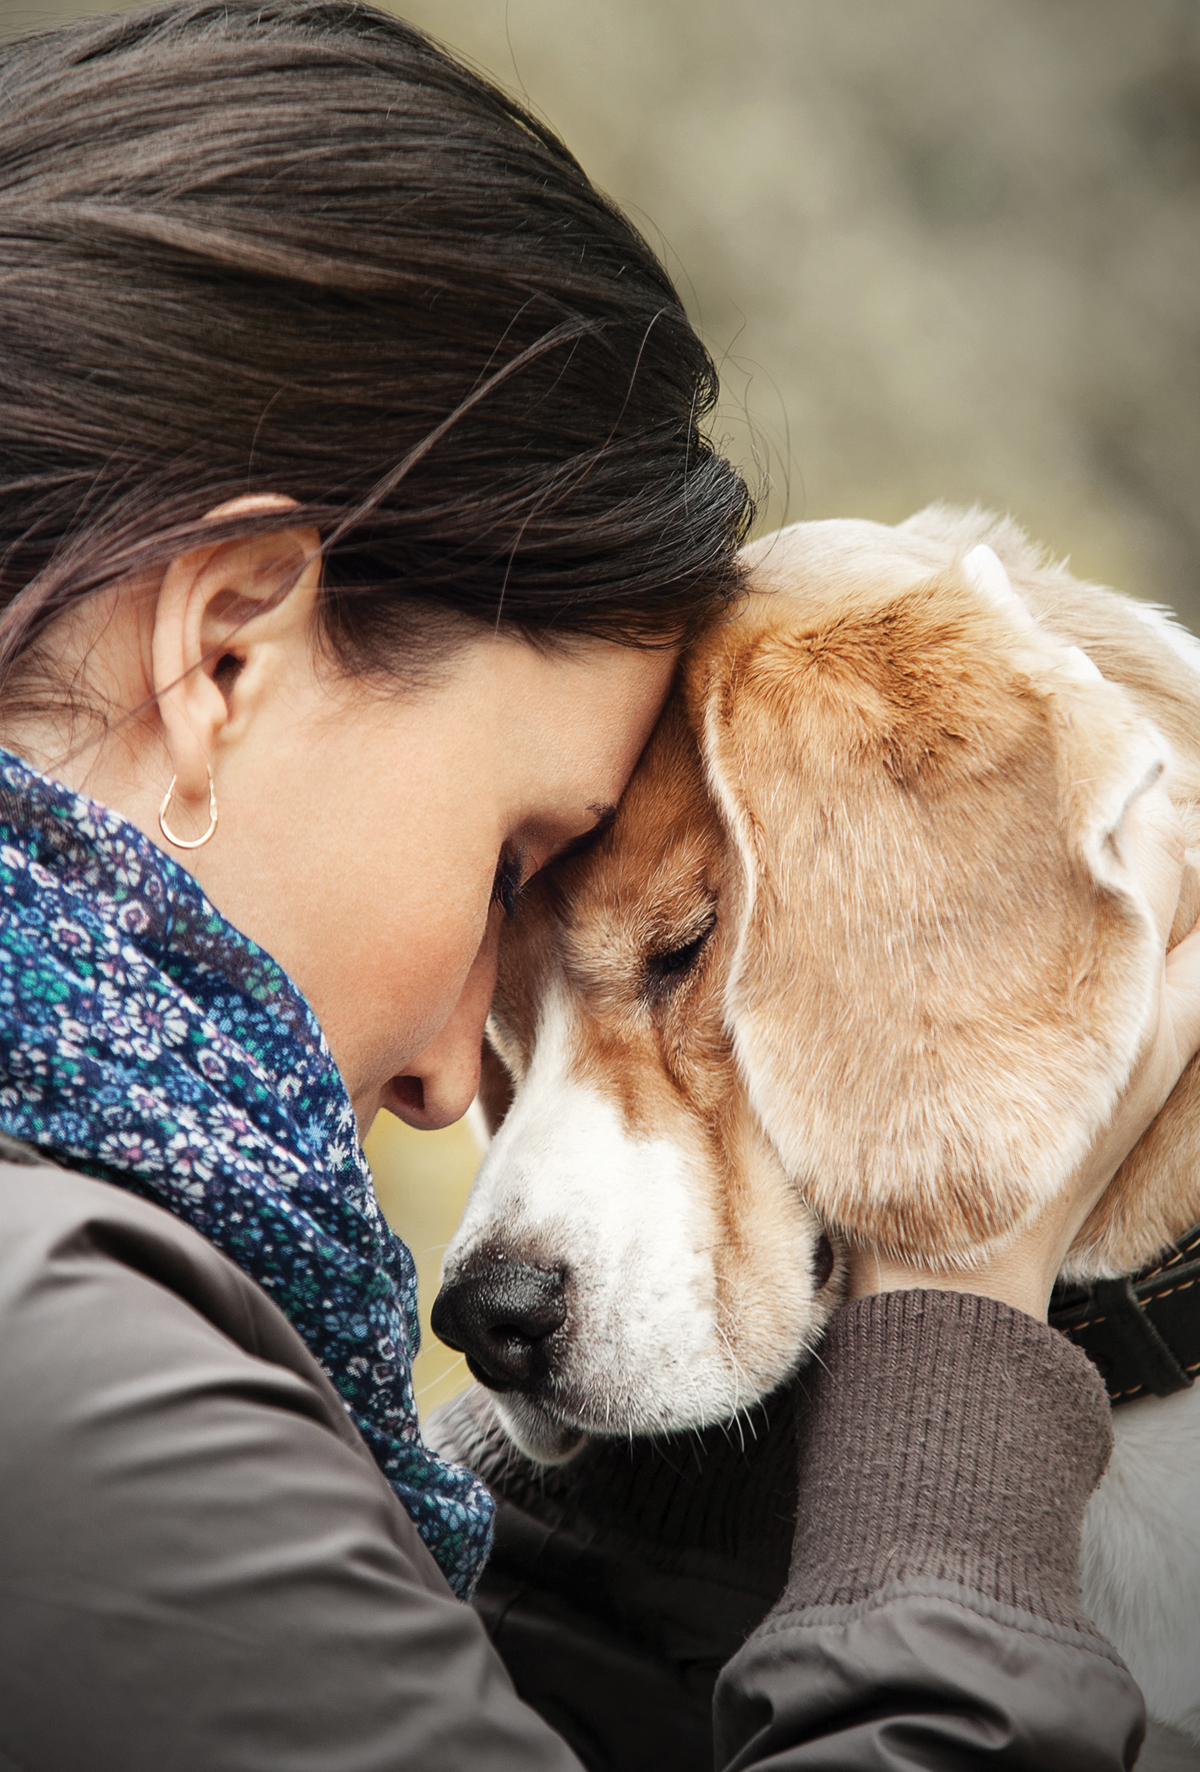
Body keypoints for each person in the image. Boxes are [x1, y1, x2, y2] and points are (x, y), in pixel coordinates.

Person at [0, 3, 1195, 1767]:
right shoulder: (57, 1361)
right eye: (509, 866)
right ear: (228, 654)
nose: (437, 1087)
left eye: (664, 943)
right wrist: (953, 1327)